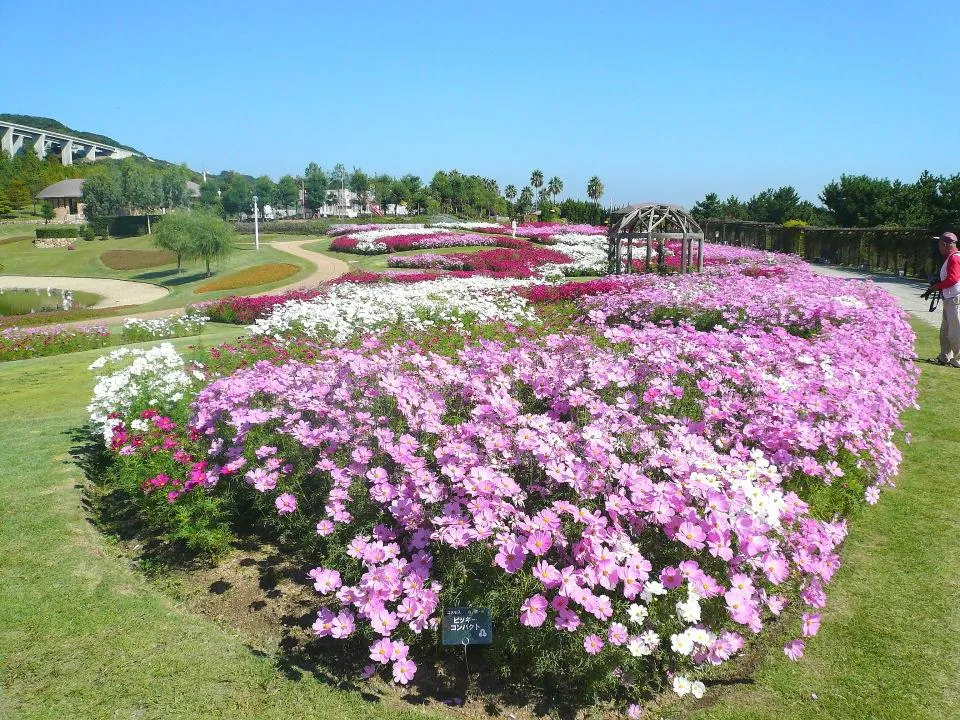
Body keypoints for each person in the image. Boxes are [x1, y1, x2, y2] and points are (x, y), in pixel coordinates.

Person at [929, 231, 960, 366]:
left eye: (940, 244)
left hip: (954, 299)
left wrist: (938, 286)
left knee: (955, 331)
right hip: (949, 299)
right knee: (945, 330)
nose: (939, 247)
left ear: (945, 244)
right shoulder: (951, 257)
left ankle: (958, 359)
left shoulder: (954, 258)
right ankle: (945, 356)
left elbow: (953, 279)